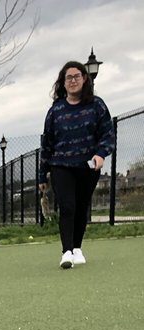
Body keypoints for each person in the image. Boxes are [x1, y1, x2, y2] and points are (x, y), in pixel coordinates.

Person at [39, 62, 114, 269]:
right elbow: (47, 143)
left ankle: (77, 248)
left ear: (84, 79)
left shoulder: (97, 105)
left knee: (81, 206)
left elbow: (107, 134)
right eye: (68, 77)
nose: (72, 80)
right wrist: (42, 175)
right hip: (60, 165)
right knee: (67, 206)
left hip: (88, 166)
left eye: (76, 76)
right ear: (63, 83)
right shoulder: (55, 111)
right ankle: (66, 252)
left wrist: (101, 154)